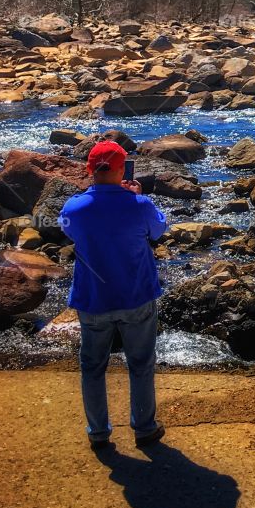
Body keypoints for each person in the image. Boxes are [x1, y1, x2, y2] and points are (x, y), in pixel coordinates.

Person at [59, 139, 168, 450]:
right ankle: (144, 428)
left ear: (90, 169)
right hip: (136, 296)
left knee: (93, 366)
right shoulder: (140, 205)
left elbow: (67, 229)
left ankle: (98, 432)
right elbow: (158, 231)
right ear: (122, 170)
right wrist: (134, 196)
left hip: (93, 300)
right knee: (141, 362)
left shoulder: (74, 208)